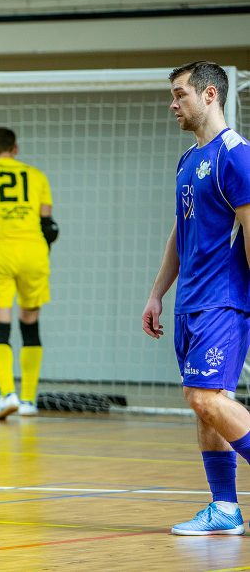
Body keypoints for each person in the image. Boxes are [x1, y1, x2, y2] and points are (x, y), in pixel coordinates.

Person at [143, 61, 250, 536]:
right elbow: (179, 232)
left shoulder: (237, 156)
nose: (173, 104)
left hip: (223, 300)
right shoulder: (188, 160)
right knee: (205, 401)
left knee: (204, 397)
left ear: (210, 95)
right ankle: (224, 508)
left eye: (180, 94)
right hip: (190, 301)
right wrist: (157, 293)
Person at [0, 128, 58, 420]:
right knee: (30, 324)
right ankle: (29, 400)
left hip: (0, 254)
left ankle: (7, 395)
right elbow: (49, 227)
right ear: (15, 148)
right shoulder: (37, 175)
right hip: (34, 253)